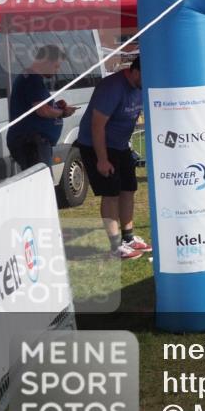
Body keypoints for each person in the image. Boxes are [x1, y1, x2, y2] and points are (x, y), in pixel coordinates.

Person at [75, 57, 150, 260]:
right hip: (96, 145)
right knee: (111, 193)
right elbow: (97, 126)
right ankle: (115, 246)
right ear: (135, 71)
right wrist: (102, 159)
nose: (149, 80)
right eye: (146, 75)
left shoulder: (140, 86)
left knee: (129, 189)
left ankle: (128, 238)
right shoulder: (112, 87)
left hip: (120, 145)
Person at [7, 45, 77, 172]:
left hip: (33, 143)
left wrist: (55, 106)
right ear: (46, 61)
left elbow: (39, 106)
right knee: (40, 184)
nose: (57, 70)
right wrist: (63, 112)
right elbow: (42, 110)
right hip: (32, 143)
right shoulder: (32, 79)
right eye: (56, 66)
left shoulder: (31, 77)